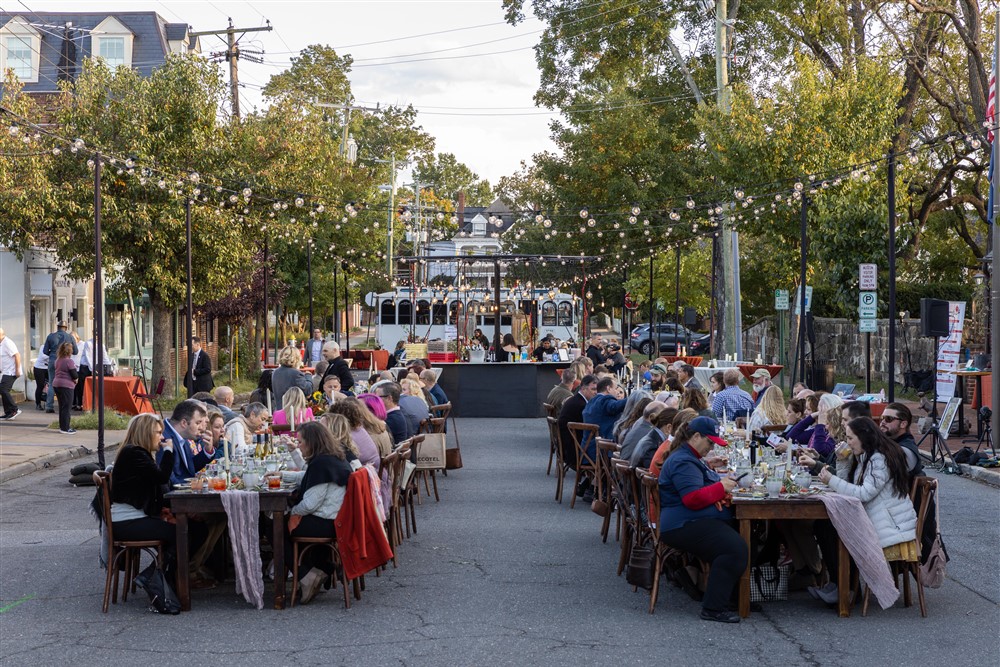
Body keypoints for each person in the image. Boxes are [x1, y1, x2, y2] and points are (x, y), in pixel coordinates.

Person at [801, 417, 919, 604]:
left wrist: (830, 480)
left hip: (889, 525)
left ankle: (846, 589)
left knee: (831, 529)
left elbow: (863, 494)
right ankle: (837, 583)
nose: (847, 442)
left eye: (850, 438)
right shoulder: (867, 455)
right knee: (822, 525)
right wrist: (842, 461)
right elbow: (849, 484)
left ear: (863, 437)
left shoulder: (879, 458)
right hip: (875, 516)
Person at [659, 416, 745, 623]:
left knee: (745, 535)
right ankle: (714, 607)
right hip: (683, 524)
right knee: (734, 549)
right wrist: (721, 487)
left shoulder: (688, 457)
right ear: (696, 436)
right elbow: (692, 499)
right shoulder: (683, 461)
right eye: (710, 442)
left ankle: (734, 597)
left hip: (690, 520)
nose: (712, 447)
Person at [285, 419, 360, 604]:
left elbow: (310, 504)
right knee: (286, 520)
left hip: (329, 523)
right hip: (339, 517)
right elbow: (308, 475)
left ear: (311, 442)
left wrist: (292, 511)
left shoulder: (321, 463)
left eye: (300, 442)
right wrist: (282, 476)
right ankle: (324, 568)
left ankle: (306, 575)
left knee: (275, 526)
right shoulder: (332, 457)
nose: (299, 445)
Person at [101, 414, 177, 583]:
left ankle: (161, 577)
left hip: (132, 519)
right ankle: (153, 578)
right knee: (181, 534)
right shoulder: (134, 453)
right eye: (158, 433)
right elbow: (162, 477)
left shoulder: (135, 452)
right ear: (146, 433)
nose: (162, 437)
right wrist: (169, 451)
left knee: (185, 529)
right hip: (128, 522)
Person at [159, 400, 213, 487]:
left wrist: (207, 450)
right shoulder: (164, 438)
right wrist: (192, 486)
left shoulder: (183, 435)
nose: (201, 428)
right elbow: (168, 479)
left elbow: (189, 468)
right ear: (184, 423)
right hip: (176, 497)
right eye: (198, 423)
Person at [557, 374, 598, 472]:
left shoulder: (576, 400)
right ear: (583, 388)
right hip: (573, 451)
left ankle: (591, 483)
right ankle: (594, 484)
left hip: (566, 447)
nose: (596, 392)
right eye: (593, 389)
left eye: (597, 389)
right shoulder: (581, 405)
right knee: (605, 454)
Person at [878, 402, 924, 481]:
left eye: (888, 419)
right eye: (882, 418)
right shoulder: (885, 441)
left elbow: (882, 471)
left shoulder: (907, 449)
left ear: (903, 424)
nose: (883, 422)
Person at [42, 321, 76, 413]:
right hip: (65, 361)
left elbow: (45, 351)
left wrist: (53, 354)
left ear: (58, 327)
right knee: (66, 382)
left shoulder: (50, 336)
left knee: (51, 383)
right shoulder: (70, 337)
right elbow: (76, 351)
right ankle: (64, 405)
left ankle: (49, 406)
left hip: (53, 360)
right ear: (66, 327)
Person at [581, 377, 628, 444]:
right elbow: (614, 406)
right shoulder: (605, 400)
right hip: (602, 449)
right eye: (615, 388)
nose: (617, 392)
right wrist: (633, 397)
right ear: (608, 389)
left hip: (587, 447)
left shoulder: (592, 401)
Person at [271, 345, 315, 411]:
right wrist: (308, 376)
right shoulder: (296, 373)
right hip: (292, 411)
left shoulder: (275, 372)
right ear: (297, 358)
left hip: (279, 409)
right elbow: (308, 390)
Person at [52, 342, 78, 434]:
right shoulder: (69, 361)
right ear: (70, 351)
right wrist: (76, 379)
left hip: (56, 384)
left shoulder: (58, 360)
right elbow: (74, 374)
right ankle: (66, 428)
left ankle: (62, 426)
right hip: (66, 386)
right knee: (67, 407)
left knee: (62, 407)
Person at [0, 328, 22, 421]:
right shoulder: (1, 344)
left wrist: (17, 370)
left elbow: (17, 355)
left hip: (11, 371)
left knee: (4, 389)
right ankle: (8, 412)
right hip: (6, 371)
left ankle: (14, 410)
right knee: (2, 390)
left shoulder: (7, 343)